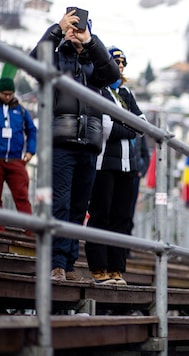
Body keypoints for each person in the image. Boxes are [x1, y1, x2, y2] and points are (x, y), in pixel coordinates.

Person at [30, 9, 120, 281]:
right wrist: (57, 29)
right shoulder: (56, 59)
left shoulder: (95, 65)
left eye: (80, 28)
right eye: (72, 28)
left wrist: (91, 43)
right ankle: (55, 263)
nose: (75, 32)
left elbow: (112, 73)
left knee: (79, 208)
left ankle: (67, 265)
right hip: (61, 141)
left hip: (89, 144)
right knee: (60, 204)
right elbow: (33, 61)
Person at [85, 46, 146, 285]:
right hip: (104, 163)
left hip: (127, 165)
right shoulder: (98, 91)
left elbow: (142, 125)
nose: (120, 67)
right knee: (101, 214)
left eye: (123, 64)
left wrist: (129, 127)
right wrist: (129, 128)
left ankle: (117, 268)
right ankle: (99, 267)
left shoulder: (126, 94)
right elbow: (106, 127)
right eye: (116, 63)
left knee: (121, 217)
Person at [0, 78, 37, 222]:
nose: (7, 97)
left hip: (16, 160)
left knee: (22, 195)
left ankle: (29, 230)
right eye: (4, 94)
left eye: (10, 94)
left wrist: (30, 151)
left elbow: (32, 130)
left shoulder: (21, 110)